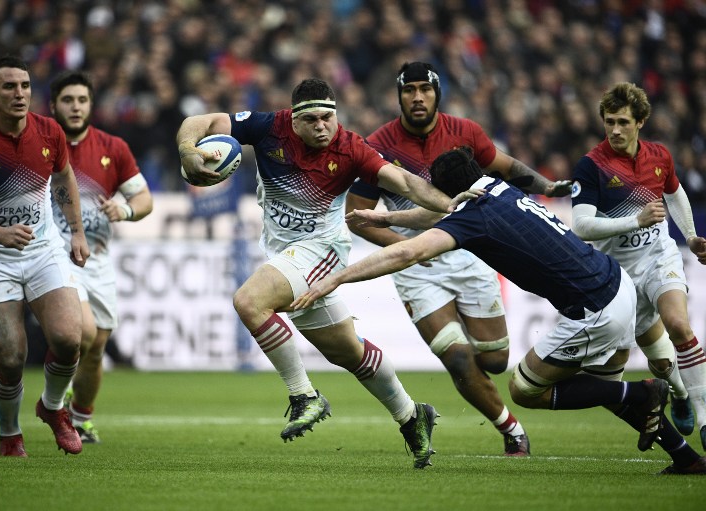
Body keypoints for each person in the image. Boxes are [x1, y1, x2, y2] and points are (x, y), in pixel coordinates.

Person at [293, 147, 706, 475]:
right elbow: (440, 211)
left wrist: (336, 278)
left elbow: (406, 252)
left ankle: (641, 390)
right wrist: (387, 216)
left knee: (526, 389)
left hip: (595, 308)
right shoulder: (498, 189)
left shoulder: (472, 217)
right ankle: (684, 456)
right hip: (618, 285)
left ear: (452, 192)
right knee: (599, 390)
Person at [176, 78, 469, 468]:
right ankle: (412, 415)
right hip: (285, 252)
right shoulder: (267, 127)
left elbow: (405, 182)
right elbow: (200, 121)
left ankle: (304, 396)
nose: (321, 127)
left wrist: (455, 206)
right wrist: (187, 152)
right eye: (311, 119)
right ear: (293, 120)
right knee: (348, 352)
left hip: (323, 250)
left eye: (327, 118)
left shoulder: (351, 149)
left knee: (249, 301)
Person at [346, 62, 572, 456]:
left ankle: (479, 384)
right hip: (419, 268)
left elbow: (508, 167)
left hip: (470, 253)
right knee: (457, 357)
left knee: (497, 359)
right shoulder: (377, 145)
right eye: (409, 90)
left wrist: (547, 186)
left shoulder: (465, 133)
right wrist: (405, 248)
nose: (418, 97)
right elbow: (358, 216)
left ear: (437, 93)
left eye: (425, 89)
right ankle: (512, 430)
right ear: (398, 96)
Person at [0, 56, 89, 457]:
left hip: (43, 250)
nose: (19, 94)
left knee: (68, 338)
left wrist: (76, 232)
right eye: (9, 87)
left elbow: (63, 178)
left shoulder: (49, 131)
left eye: (24, 86)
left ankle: (53, 408)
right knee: (11, 357)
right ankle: (10, 434)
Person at [570, 82, 706, 448]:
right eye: (609, 121)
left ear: (640, 122)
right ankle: (678, 392)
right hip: (619, 275)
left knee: (679, 323)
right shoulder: (591, 166)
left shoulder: (659, 156)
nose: (615, 130)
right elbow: (581, 226)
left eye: (623, 122)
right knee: (660, 364)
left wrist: (691, 236)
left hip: (660, 256)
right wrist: (635, 220)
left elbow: (674, 192)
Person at [49, 70, 153, 443]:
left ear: (91, 105)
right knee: (84, 333)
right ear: (53, 106)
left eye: (82, 100)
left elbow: (144, 199)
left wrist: (124, 211)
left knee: (96, 348)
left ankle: (80, 418)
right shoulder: (40, 144)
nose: (75, 107)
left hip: (98, 256)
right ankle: (53, 406)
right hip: (54, 255)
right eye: (67, 100)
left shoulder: (113, 147)